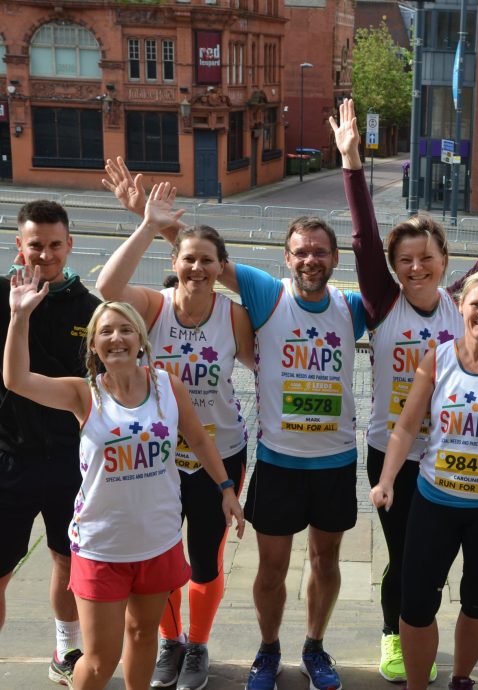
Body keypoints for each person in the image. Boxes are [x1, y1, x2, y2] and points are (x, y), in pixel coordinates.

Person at [103, 157, 367, 690]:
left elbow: (418, 286)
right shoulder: (265, 294)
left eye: (320, 251)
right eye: (301, 252)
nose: (310, 259)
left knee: (325, 560)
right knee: (258, 567)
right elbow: (200, 258)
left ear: (335, 257)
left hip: (331, 461)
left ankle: (313, 648)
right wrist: (150, 221)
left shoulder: (355, 306)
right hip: (270, 460)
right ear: (285, 258)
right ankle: (263, 652)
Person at [330, 97, 478, 683]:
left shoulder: (461, 302)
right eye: (404, 261)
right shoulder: (384, 305)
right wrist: (352, 164)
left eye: (425, 259)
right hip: (395, 449)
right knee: (405, 558)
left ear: (442, 260)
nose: (415, 269)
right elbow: (361, 237)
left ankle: (437, 642)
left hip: (458, 459)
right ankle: (394, 635)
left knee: (432, 562)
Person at [3, 272, 245, 690]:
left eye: (126, 329)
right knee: (99, 661)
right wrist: (19, 317)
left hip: (157, 541)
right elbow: (17, 380)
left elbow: (201, 438)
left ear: (141, 341)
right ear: (94, 345)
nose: (117, 338)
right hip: (102, 547)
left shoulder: (167, 386)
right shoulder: (84, 394)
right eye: (106, 331)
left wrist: (226, 489)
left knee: (142, 636)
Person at [95, 179, 255, 690]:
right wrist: (150, 224)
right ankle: (170, 640)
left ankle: (198, 644)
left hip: (219, 453)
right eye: (189, 259)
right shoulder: (153, 307)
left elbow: (265, 366)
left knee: (205, 557)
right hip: (156, 457)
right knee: (159, 556)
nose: (197, 268)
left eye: (208, 260)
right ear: (176, 262)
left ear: (220, 268)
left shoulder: (235, 316)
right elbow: (106, 288)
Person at [370, 269, 478, 690]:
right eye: (476, 305)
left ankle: (461, 679)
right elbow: (406, 427)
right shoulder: (437, 358)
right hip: (435, 504)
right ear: (461, 308)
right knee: (415, 606)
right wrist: (387, 479)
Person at [0, 200, 100, 686]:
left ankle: (65, 647)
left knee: (67, 558)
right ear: (19, 245)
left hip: (69, 461)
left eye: (54, 245)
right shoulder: (2, 297)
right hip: (8, 458)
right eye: (34, 245)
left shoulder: (90, 310)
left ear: (69, 247)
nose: (44, 255)